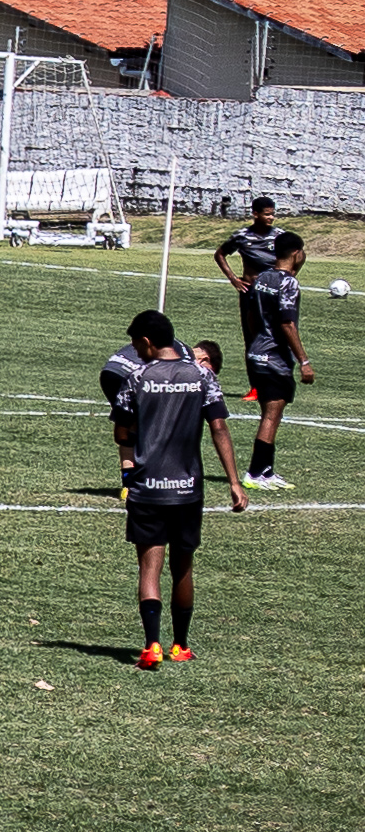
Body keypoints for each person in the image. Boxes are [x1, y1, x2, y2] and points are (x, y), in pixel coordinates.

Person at [105, 305, 244, 665]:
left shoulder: (137, 378)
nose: (134, 351)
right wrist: (233, 482)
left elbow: (121, 430)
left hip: (148, 487)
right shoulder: (202, 378)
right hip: (187, 488)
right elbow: (218, 428)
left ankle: (151, 645)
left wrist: (137, 438)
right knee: (183, 567)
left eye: (136, 344)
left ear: (149, 342)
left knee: (149, 567)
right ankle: (180, 645)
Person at [237, 231, 308, 481]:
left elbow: (250, 316)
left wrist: (257, 342)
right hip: (275, 359)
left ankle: (266, 471)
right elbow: (288, 324)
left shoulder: (261, 277)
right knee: (271, 417)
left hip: (256, 353)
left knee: (268, 415)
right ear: (297, 254)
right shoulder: (289, 283)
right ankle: (256, 473)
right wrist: (304, 361)